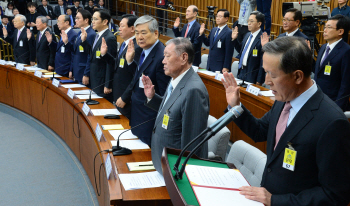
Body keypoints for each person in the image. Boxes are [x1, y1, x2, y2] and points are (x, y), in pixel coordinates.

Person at [222, 36, 350, 206]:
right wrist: (236, 107)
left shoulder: (332, 123)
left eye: (272, 75)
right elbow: (260, 131)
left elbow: (335, 194)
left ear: (297, 76)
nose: (267, 82)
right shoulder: (284, 100)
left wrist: (275, 200)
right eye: (265, 72)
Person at [142, 38, 209, 174]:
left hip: (174, 170)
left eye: (167, 56)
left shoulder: (193, 90)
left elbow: (191, 144)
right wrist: (152, 97)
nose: (163, 61)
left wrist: (180, 177)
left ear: (184, 57)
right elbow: (172, 111)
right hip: (163, 163)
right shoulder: (177, 78)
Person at [124, 15, 170, 146]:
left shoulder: (161, 56)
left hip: (148, 119)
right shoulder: (140, 51)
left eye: (143, 33)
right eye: (137, 33)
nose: (139, 37)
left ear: (156, 33)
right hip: (137, 113)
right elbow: (140, 76)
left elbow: (163, 95)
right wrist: (130, 62)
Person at [100, 14, 140, 119]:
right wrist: (105, 54)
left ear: (132, 28)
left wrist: (125, 97)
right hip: (118, 93)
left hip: (126, 97)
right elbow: (117, 65)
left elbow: (136, 75)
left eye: (122, 26)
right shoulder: (124, 43)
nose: (119, 29)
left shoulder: (137, 47)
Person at [314, 14, 350, 111]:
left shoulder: (346, 51)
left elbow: (346, 84)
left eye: (329, 27)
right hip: (317, 99)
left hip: (332, 103)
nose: (324, 30)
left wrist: (337, 108)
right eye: (325, 27)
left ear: (340, 31)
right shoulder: (323, 47)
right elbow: (318, 72)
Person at [80, 9, 117, 102]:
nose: (92, 21)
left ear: (105, 21)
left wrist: (107, 84)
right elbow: (92, 54)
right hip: (95, 78)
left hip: (102, 81)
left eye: (95, 19)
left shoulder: (109, 38)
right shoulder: (98, 35)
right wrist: (84, 41)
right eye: (92, 19)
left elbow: (110, 62)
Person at [232, 11, 265, 85]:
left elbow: (262, 62)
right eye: (248, 21)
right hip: (242, 71)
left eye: (251, 21)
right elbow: (241, 50)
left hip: (253, 75)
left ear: (259, 24)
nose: (248, 23)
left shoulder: (263, 38)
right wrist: (234, 39)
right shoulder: (247, 35)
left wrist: (259, 81)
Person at [70, 9, 96, 84]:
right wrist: (71, 69)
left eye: (78, 18)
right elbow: (74, 52)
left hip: (83, 71)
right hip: (76, 70)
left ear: (86, 20)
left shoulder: (91, 34)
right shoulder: (79, 33)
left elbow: (90, 55)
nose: (75, 20)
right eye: (75, 18)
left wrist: (86, 74)